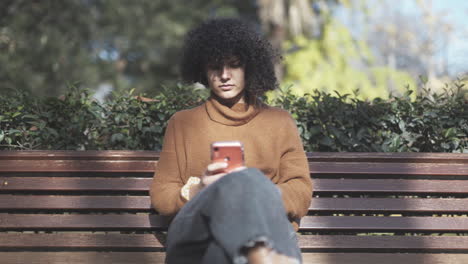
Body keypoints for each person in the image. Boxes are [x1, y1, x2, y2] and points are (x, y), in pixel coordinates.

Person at [150, 18, 313, 264]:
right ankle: (257, 252)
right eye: (215, 67)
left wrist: (253, 194)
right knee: (237, 183)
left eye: (234, 66)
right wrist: (200, 190)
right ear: (203, 70)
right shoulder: (182, 123)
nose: (224, 75)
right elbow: (162, 195)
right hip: (195, 232)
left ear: (250, 68)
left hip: (252, 234)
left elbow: (300, 191)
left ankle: (251, 250)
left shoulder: (280, 122)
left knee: (245, 184)